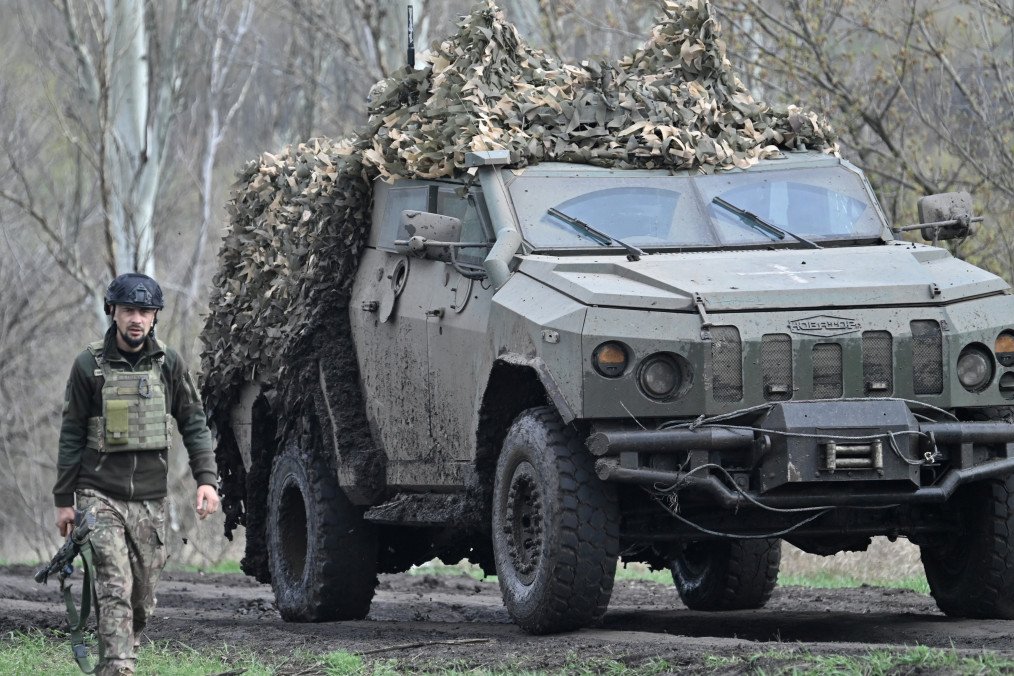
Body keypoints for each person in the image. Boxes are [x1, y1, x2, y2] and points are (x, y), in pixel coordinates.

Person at [53, 272, 219, 676]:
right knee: (114, 586)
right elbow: (72, 432)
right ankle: (119, 666)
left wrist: (206, 480)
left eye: (145, 311)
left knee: (142, 596)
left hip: (150, 497)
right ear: (113, 312)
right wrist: (64, 502)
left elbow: (194, 422)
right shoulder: (88, 366)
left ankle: (127, 646)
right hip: (98, 494)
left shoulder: (169, 363)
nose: (137, 319)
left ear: (155, 317)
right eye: (129, 310)